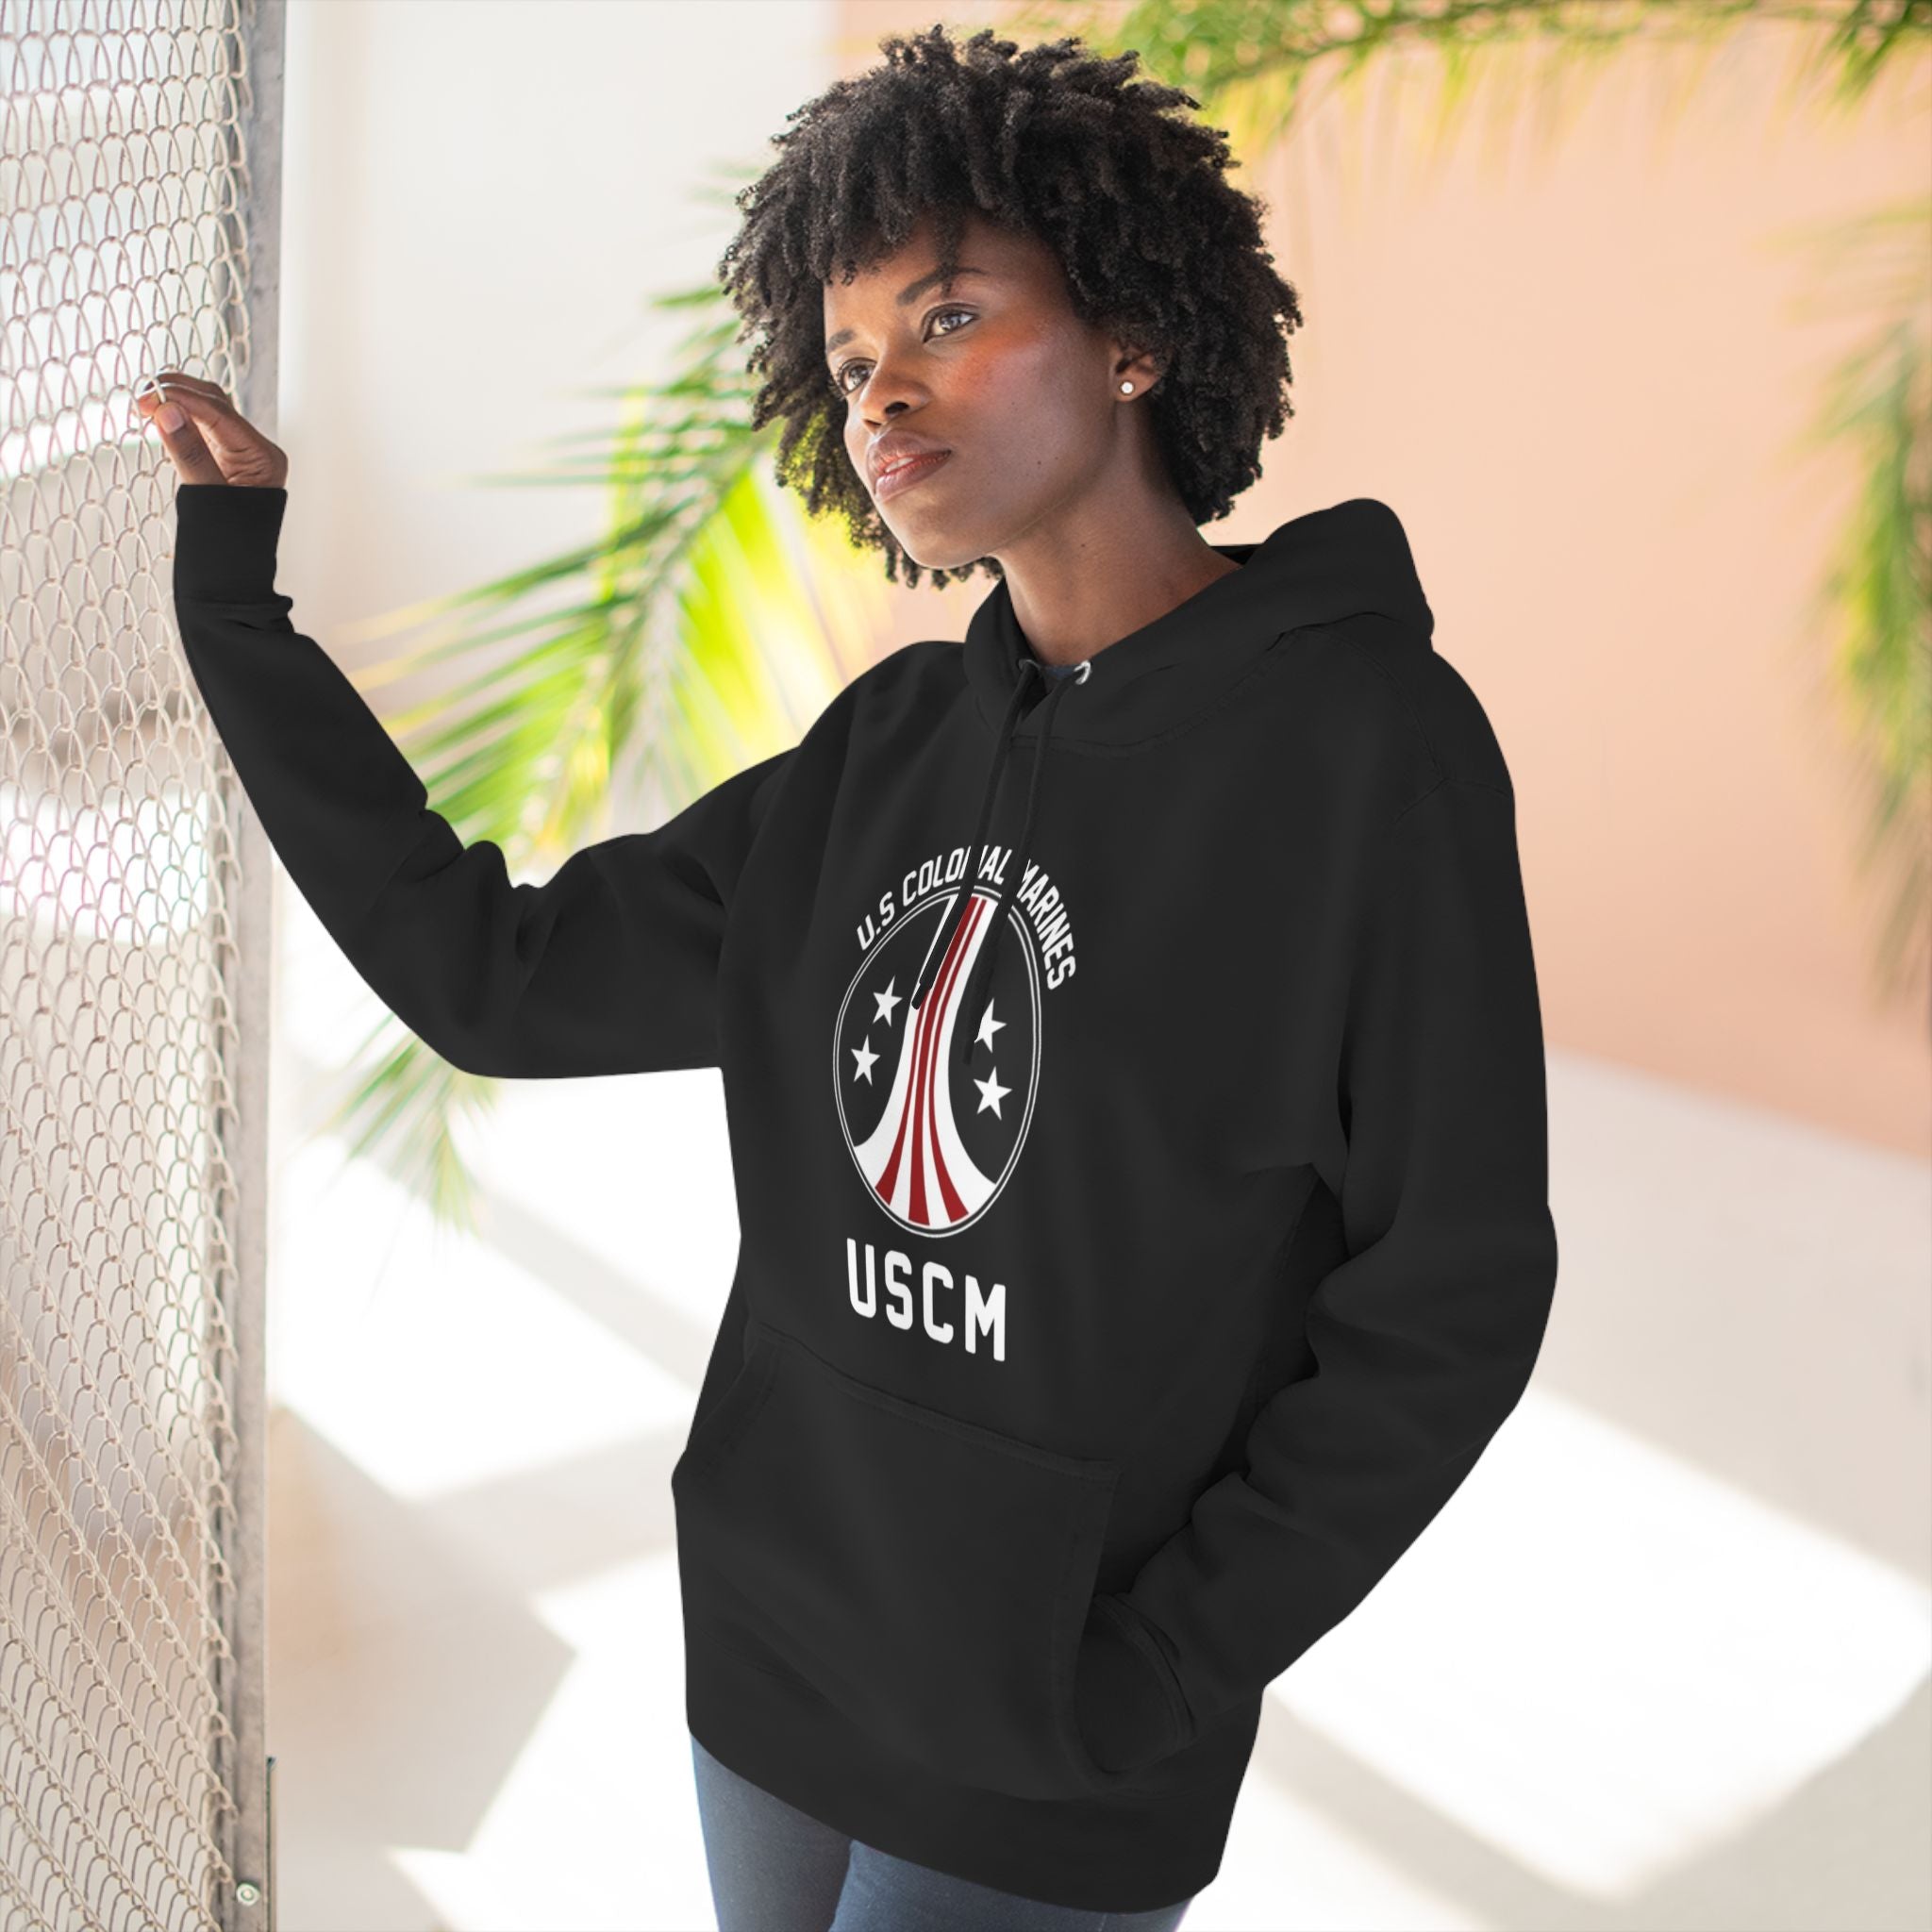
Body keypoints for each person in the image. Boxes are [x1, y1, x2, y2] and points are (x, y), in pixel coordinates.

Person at [144, 23, 1559, 1932]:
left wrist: (1162, 1669)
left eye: (949, 317)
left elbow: (1450, 1290)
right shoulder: (888, 748)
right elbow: (497, 977)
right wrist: (237, 605)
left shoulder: (1364, 753)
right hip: (775, 1653)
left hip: (1057, 1737)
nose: (883, 392)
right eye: (848, 356)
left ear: (1134, 332)